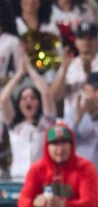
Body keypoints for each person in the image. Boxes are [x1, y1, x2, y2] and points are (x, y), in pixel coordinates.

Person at [1, 50, 56, 180]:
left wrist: (30, 70)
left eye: (32, 98)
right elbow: (3, 99)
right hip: (18, 177)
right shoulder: (14, 125)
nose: (28, 101)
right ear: (19, 104)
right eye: (24, 98)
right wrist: (19, 73)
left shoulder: (46, 123)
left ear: (39, 102)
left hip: (42, 179)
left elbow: (46, 94)